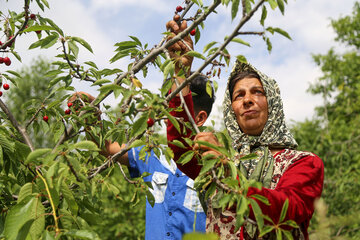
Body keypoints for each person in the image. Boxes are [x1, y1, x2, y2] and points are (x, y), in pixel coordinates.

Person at [166, 18, 324, 240]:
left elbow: (286, 210)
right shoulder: (217, 159)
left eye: (257, 92)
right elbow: (180, 147)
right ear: (232, 110)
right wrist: (180, 72)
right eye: (239, 95)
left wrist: (227, 170)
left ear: (273, 102)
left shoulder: (304, 163)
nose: (247, 100)